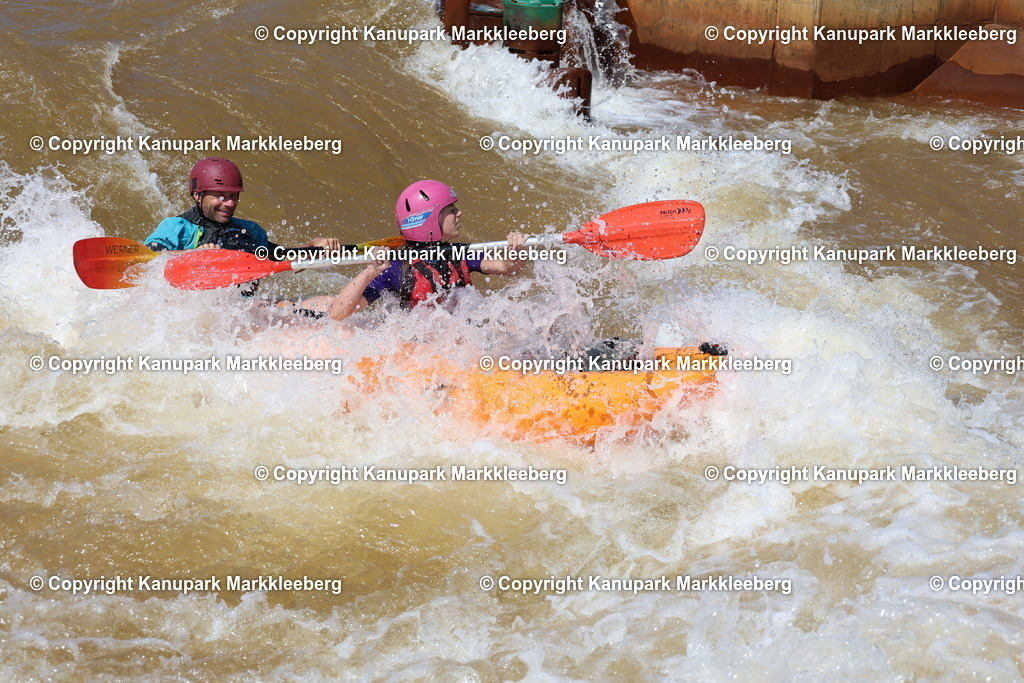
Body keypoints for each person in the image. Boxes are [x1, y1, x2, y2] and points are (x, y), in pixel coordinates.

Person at [144, 157, 340, 308]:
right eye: (221, 196)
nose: (229, 203)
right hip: (195, 309)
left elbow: (283, 260)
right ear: (197, 194)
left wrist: (315, 247)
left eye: (233, 196)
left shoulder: (250, 232)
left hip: (246, 309)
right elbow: (147, 259)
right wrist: (193, 256)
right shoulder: (176, 227)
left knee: (327, 303)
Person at [328, 180, 526, 321]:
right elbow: (337, 314)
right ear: (429, 220)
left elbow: (510, 268)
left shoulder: (460, 252)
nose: (459, 213)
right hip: (422, 346)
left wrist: (516, 249)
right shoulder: (396, 267)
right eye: (451, 210)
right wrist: (370, 271)